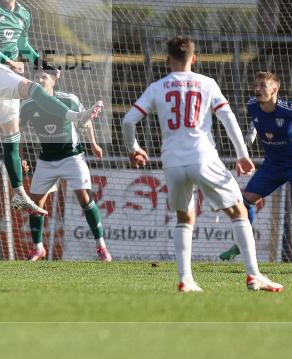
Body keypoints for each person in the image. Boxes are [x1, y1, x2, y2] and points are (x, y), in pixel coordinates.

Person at [121, 36, 283, 293]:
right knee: (239, 212)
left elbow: (129, 121)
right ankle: (254, 276)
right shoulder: (207, 84)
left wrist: (134, 148)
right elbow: (227, 118)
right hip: (202, 157)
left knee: (184, 218)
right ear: (194, 59)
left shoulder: (157, 87)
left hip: (172, 161)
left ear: (167, 60)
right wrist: (242, 154)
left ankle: (186, 279)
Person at [0, 0, 102, 215]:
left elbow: (24, 46)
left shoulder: (24, 15)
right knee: (34, 88)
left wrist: (45, 65)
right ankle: (76, 117)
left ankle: (18, 194)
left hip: (4, 75)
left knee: (11, 137)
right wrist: (9, 61)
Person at [219, 71, 292, 263]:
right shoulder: (252, 105)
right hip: (272, 165)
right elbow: (259, 117)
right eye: (255, 85)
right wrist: (252, 130)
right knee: (245, 203)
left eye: (262, 85)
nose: (257, 89)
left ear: (275, 90)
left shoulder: (290, 108)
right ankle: (241, 244)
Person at [20, 68, 111, 262]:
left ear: (53, 80)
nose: (39, 80)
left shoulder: (69, 100)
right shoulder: (27, 105)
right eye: (36, 77)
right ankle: (38, 248)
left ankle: (101, 246)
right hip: (46, 160)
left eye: (43, 77)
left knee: (84, 198)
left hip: (72, 157)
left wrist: (93, 144)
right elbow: (18, 132)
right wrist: (20, 157)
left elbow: (85, 121)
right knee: (34, 205)